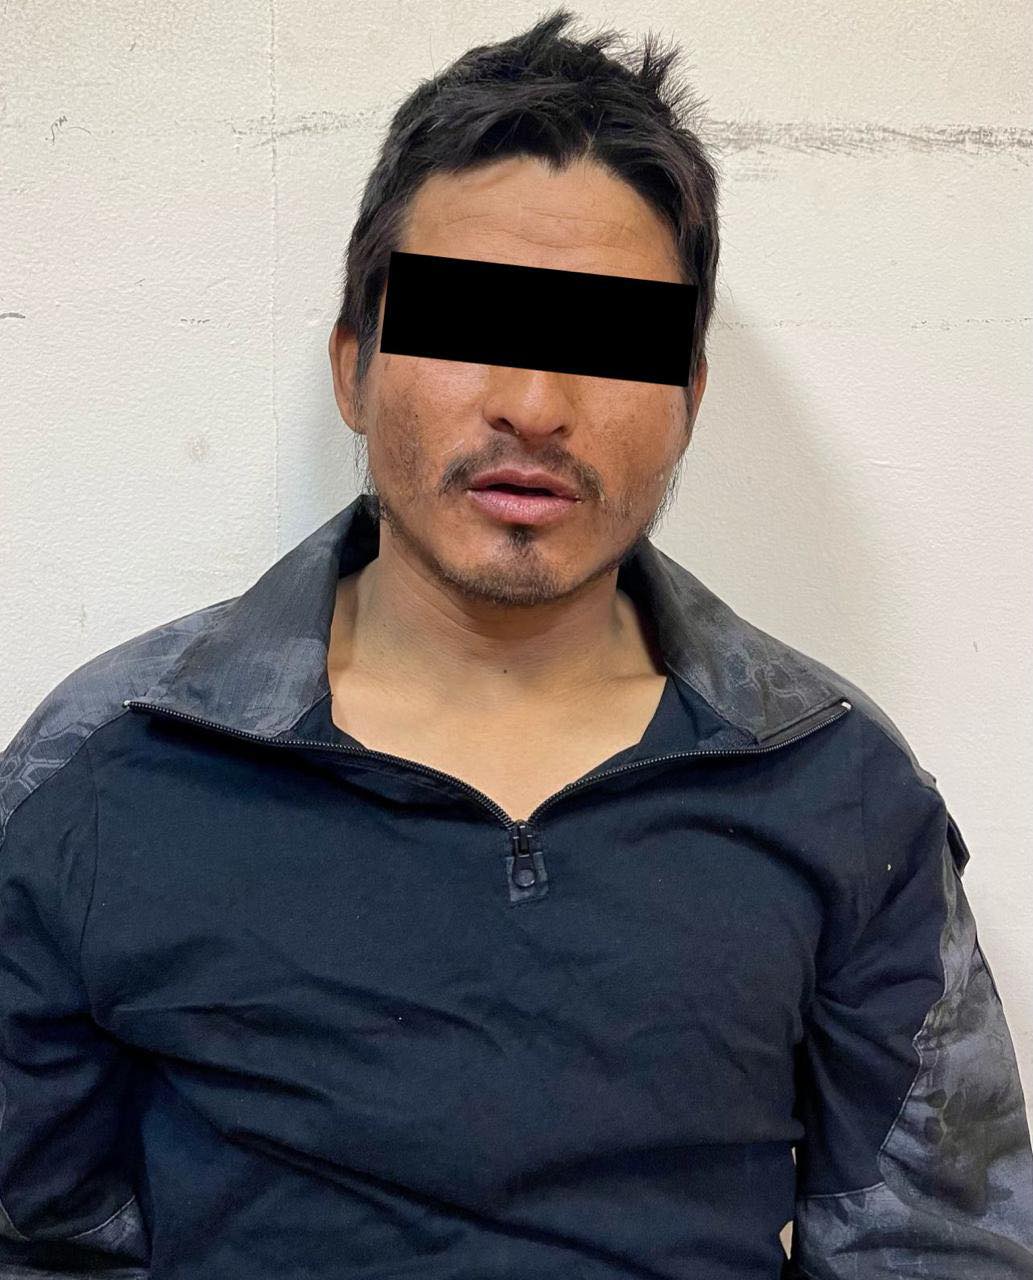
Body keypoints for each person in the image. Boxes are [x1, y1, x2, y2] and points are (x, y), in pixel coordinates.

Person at [2, 9, 1031, 1278]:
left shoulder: (837, 787)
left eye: (608, 339)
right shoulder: (106, 769)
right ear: (354, 367)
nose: (535, 405)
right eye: (471, 324)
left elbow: (935, 1246)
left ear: (686, 398)